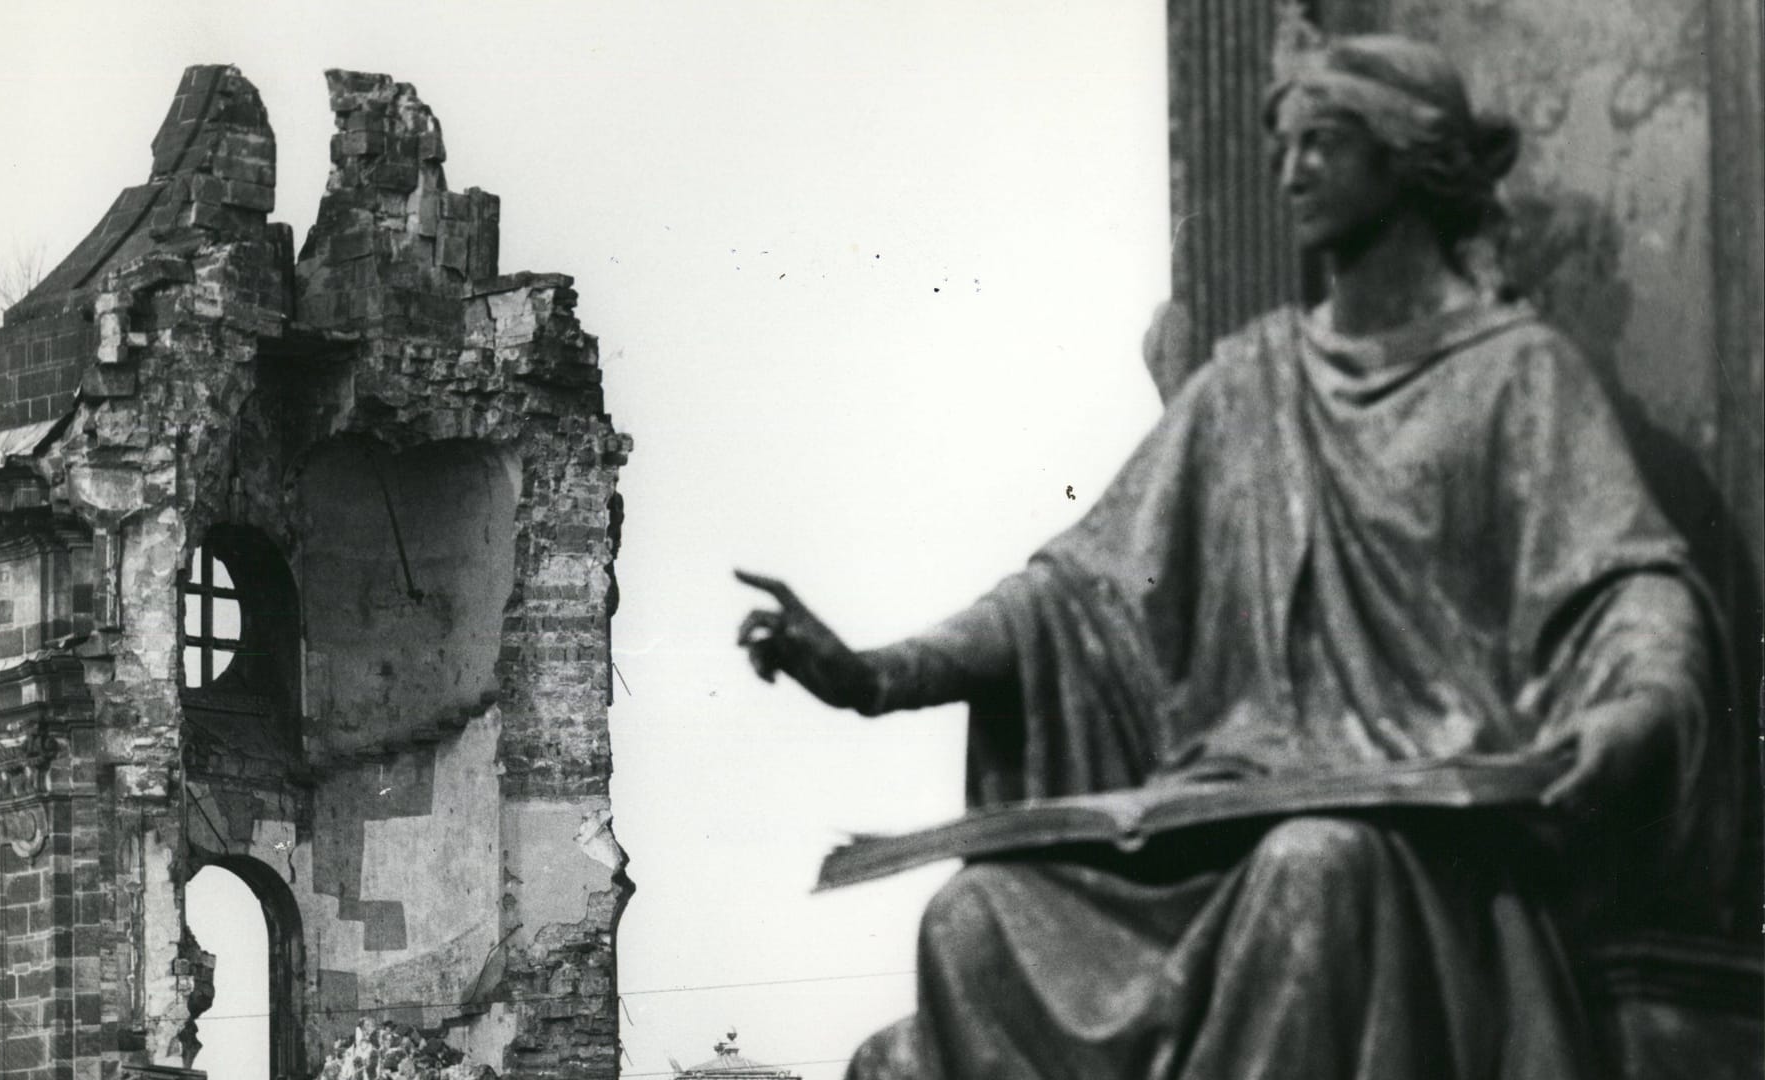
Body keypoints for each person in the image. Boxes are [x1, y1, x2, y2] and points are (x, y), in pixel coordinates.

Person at [735, 32, 1737, 1080]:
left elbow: (1627, 586)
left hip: (1410, 845)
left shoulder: (1514, 376)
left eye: (1325, 142)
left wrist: (1635, 708)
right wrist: (877, 673)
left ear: (1409, 158)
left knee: (1312, 871)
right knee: (973, 915)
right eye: (1284, 146)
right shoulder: (1248, 386)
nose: (1292, 170)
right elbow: (1074, 598)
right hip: (1218, 825)